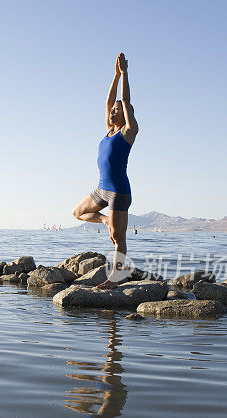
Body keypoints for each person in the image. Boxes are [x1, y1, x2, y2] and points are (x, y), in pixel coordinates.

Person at [72, 52, 138, 289]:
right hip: (101, 188)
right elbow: (108, 101)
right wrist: (114, 75)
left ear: (126, 113)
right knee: (78, 212)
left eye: (117, 110)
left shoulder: (128, 131)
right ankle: (106, 220)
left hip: (119, 191)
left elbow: (124, 100)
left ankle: (117, 277)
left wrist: (125, 75)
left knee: (119, 238)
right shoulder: (109, 130)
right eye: (112, 111)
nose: (112, 112)